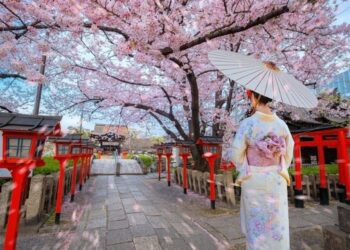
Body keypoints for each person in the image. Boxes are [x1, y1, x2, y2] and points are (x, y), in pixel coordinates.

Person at [232, 89, 294, 250]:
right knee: (277, 221)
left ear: (254, 97)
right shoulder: (281, 124)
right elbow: (288, 151)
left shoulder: (248, 123)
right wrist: (278, 167)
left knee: (256, 223)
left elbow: (236, 152)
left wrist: (244, 168)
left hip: (254, 178)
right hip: (276, 178)